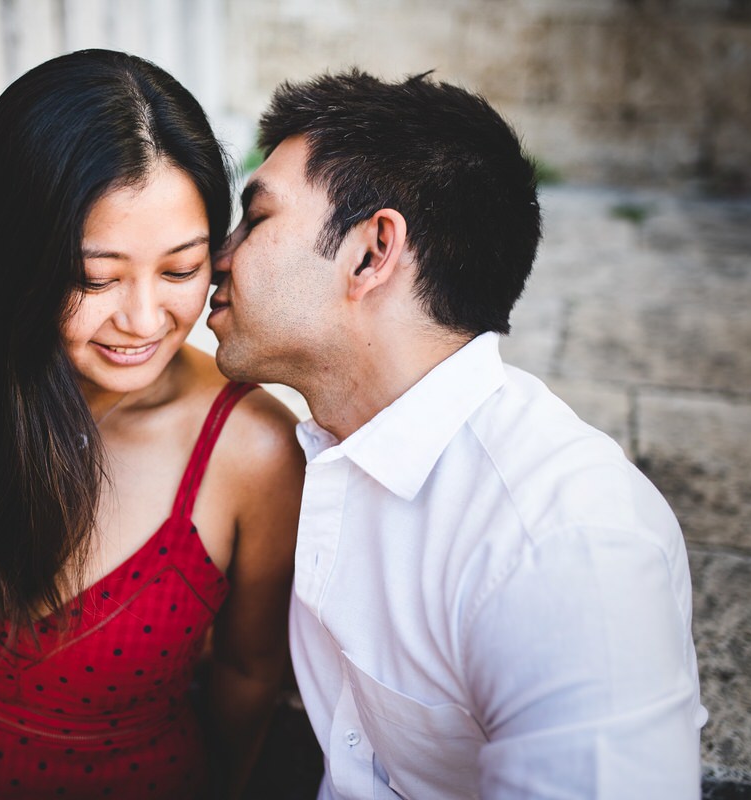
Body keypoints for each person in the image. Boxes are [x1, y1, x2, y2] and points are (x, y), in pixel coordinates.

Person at [207, 70, 707, 799]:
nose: (218, 257)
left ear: (372, 252)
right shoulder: (324, 447)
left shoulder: (563, 546)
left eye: (255, 219)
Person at [0, 50, 303, 800]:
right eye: (94, 277)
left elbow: (250, 671)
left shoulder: (250, 450)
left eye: (180, 270)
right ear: (16, 258)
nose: (141, 320)